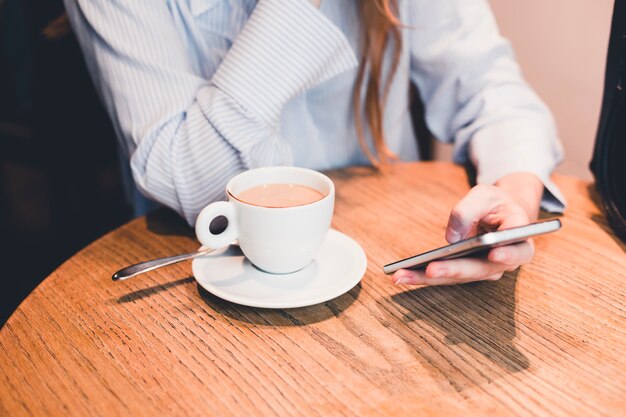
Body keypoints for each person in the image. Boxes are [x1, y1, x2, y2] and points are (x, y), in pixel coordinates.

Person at [64, 0, 565, 286]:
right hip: (205, 287)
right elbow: (198, 180)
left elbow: (492, 92)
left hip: (387, 273)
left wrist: (514, 199)